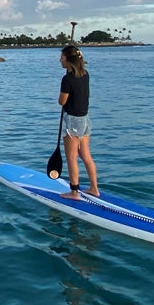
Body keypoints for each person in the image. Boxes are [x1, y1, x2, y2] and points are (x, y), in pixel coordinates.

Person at [58, 45, 99, 200]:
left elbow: (62, 101)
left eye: (62, 57)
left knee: (71, 157)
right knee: (86, 155)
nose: (60, 60)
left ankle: (74, 192)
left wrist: (65, 82)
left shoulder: (67, 79)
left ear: (68, 59)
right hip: (85, 119)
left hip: (73, 121)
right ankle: (94, 188)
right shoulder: (85, 74)